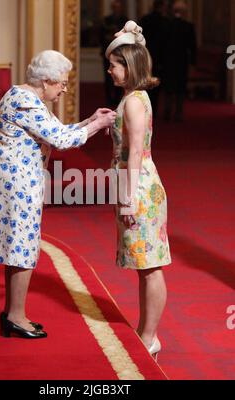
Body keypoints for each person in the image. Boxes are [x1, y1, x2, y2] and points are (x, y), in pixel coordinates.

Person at [0, 50, 116, 339]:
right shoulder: (25, 102)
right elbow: (60, 140)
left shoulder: (28, 97)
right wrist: (98, 125)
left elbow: (56, 130)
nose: (65, 89)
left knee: (16, 248)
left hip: (17, 179)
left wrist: (89, 120)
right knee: (21, 249)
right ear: (46, 81)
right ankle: (16, 317)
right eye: (62, 84)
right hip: (17, 183)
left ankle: (12, 313)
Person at [105, 21, 171, 359]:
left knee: (151, 266)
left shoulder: (132, 102)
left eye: (114, 64)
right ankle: (146, 332)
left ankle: (150, 336)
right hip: (140, 182)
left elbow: (133, 152)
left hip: (139, 187)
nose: (110, 70)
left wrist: (127, 197)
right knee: (146, 266)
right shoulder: (135, 97)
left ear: (129, 65)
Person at [162, 0, 197, 121]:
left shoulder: (166, 25)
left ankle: (167, 110)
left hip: (168, 61)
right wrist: (192, 63)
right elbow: (192, 47)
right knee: (180, 88)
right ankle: (178, 112)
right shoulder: (188, 26)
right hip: (182, 61)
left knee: (168, 87)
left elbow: (163, 45)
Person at [139, 0, 169, 118]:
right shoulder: (164, 22)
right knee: (155, 88)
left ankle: (145, 110)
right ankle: (152, 112)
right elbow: (166, 43)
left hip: (146, 56)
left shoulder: (145, 19)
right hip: (160, 59)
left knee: (145, 85)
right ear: (161, 7)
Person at [99, 0, 128, 107]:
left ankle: (117, 99)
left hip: (121, 54)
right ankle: (109, 100)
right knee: (108, 77)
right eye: (115, 7)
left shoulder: (125, 20)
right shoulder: (106, 20)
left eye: (118, 7)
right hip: (107, 53)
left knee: (120, 76)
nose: (117, 9)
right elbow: (100, 37)